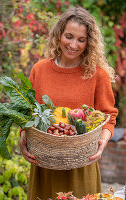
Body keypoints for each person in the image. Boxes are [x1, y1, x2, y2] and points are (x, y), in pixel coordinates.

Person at [19, 6, 118, 200]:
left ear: (89, 42)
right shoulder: (39, 70)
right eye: (69, 36)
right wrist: (23, 136)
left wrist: (102, 142)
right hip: (44, 166)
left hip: (81, 167)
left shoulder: (98, 75)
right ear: (58, 35)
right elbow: (26, 112)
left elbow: (109, 116)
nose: (74, 44)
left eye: (81, 40)